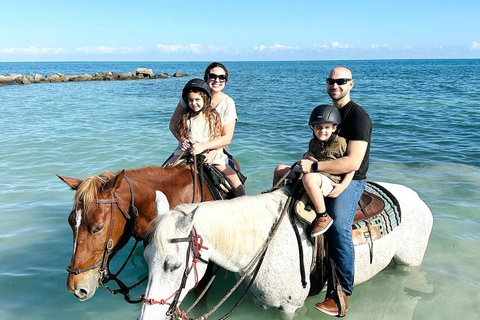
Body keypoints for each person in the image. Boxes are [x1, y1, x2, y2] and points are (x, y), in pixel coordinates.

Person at [298, 67, 372, 317]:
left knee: (339, 225)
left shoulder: (358, 118)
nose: (335, 85)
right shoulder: (326, 113)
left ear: (351, 84)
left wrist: (315, 166)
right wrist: (309, 157)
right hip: (323, 173)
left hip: (350, 180)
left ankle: (341, 293)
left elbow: (352, 163)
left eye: (341, 81)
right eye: (331, 81)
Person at [272, 105, 354, 238]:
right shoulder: (313, 142)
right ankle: (276, 198)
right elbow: (310, 154)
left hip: (330, 179)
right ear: (313, 128)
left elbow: (350, 167)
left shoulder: (341, 143)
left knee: (308, 179)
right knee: (280, 169)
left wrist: (343, 185)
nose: (322, 131)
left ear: (334, 127)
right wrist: (307, 156)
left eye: (327, 127)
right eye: (318, 127)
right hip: (314, 173)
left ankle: (323, 215)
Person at [168, 62, 245, 197]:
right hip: (187, 147)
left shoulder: (228, 103)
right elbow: (173, 123)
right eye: (213, 76)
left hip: (215, 148)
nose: (217, 80)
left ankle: (243, 206)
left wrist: (204, 147)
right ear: (206, 77)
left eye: (222, 77)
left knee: (235, 182)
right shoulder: (190, 96)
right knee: (163, 173)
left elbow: (227, 137)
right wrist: (182, 140)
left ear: (226, 80)